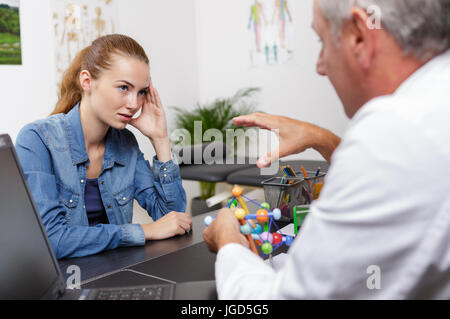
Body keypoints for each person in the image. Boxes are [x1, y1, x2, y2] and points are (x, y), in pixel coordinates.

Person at [203, 0, 450, 299]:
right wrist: (325, 140)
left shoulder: (396, 129)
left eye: (322, 42)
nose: (320, 66)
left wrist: (229, 240)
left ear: (359, 34)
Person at [15, 34, 191, 259]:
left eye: (141, 92)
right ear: (87, 81)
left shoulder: (126, 143)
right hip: (67, 281)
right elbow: (53, 240)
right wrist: (144, 231)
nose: (134, 104)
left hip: (116, 272)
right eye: (124, 88)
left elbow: (173, 219)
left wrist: (160, 138)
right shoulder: (37, 139)